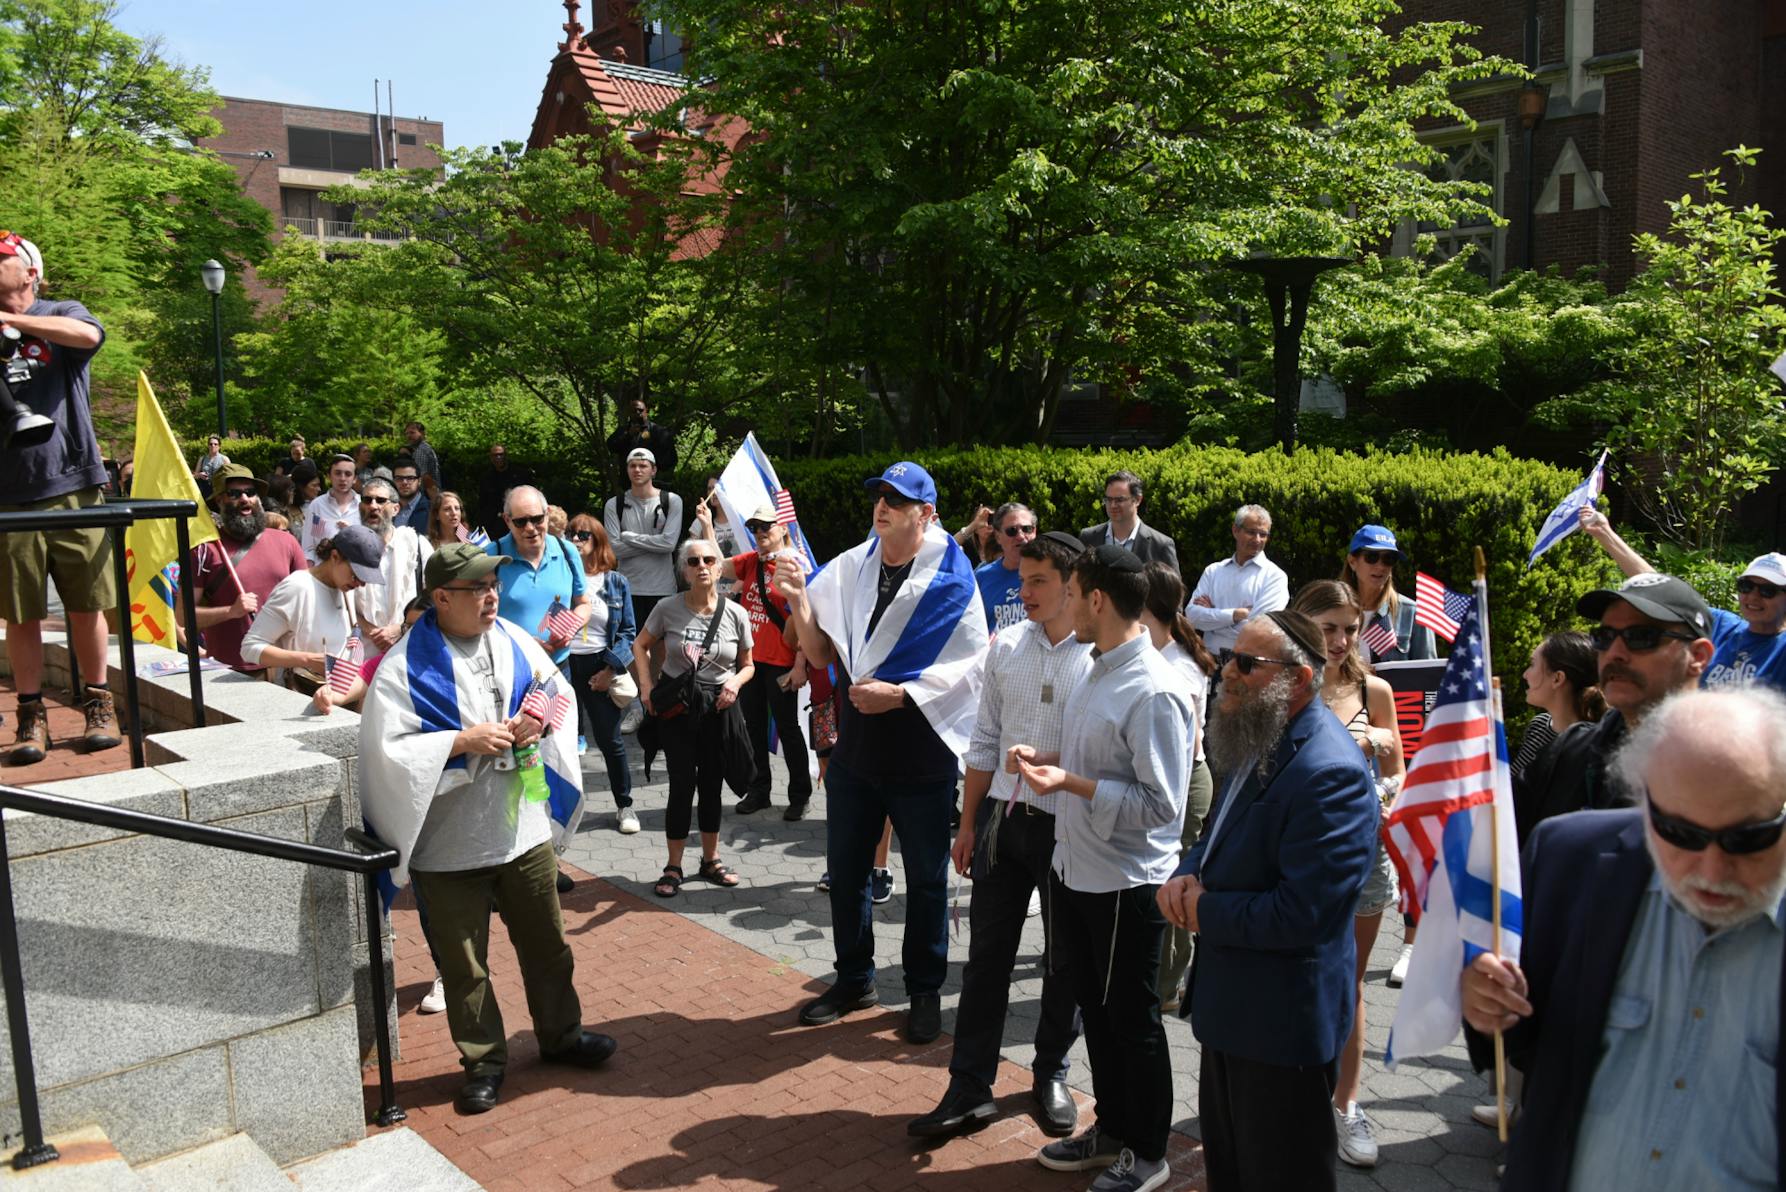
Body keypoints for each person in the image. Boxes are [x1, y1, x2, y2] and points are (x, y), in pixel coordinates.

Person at [1463, 685, 1786, 1191]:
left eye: (1748, 838)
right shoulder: (1571, 859)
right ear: (1644, 799)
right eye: (1681, 833)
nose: (1713, 868)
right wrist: (1485, 1006)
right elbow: (1520, 1038)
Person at [358, 542, 614, 1116]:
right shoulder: (403, 668)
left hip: (519, 829)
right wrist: (458, 742)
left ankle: (562, 1035)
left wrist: (536, 719)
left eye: (493, 586)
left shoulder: (515, 639)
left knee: (548, 945)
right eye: (477, 589)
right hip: (448, 847)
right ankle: (483, 1062)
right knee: (464, 965)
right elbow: (383, 751)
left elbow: (554, 688)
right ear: (441, 597)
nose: (491, 595)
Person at [1159, 610, 1378, 1192]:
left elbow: (1302, 915)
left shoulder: (1329, 773)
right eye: (1231, 657)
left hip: (1281, 1027)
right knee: (1230, 1173)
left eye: (1248, 663)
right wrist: (1187, 874)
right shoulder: (1258, 727)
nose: (1228, 671)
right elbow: (1217, 831)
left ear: (1299, 678)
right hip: (1231, 1009)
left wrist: (1200, 910)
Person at [773, 461, 989, 1045]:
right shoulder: (850, 567)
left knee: (925, 881)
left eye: (897, 498)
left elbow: (972, 668)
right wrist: (798, 600)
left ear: (927, 513)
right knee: (845, 875)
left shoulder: (952, 575)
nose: (882, 505)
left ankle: (923, 992)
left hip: (922, 759)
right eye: (879, 496)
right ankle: (854, 979)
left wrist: (901, 694)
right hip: (856, 754)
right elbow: (819, 656)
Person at [1011, 544, 1191, 1192]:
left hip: (1125, 884)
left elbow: (1162, 806)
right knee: (1097, 1008)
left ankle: (1148, 1154)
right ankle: (1113, 1129)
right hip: (1077, 870)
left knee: (1132, 1022)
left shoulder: (1156, 689)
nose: (1059, 603)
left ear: (1095, 600)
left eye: (1071, 591)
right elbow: (1097, 756)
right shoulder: (1096, 665)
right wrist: (1050, 757)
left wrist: (1073, 784)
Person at [908, 530, 1091, 1142]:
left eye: (1038, 581)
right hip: (1002, 826)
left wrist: (1055, 762)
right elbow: (982, 740)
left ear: (1073, 586)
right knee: (986, 958)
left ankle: (1050, 1073)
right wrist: (966, 824)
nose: (1023, 590)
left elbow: (1109, 755)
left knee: (1065, 959)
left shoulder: (1099, 656)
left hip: (1070, 830)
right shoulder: (1006, 643)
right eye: (1022, 578)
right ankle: (969, 1086)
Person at [1291, 579, 1406, 1169]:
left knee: (1350, 985)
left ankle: (1347, 1103)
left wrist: (1380, 787)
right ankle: (1292, 1095)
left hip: (1361, 856)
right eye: (1327, 627)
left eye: (1348, 628)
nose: (1338, 640)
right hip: (1295, 857)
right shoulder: (1286, 683)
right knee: (1294, 976)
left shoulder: (1374, 688)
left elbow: (1398, 773)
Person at [0, 231, 120, 762]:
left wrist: (15, 324)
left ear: (29, 271)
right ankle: (30, 716)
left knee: (87, 604)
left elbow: (87, 335)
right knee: (20, 613)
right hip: (9, 494)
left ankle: (98, 702)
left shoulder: (59, 309)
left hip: (72, 482)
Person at [1516, 572, 1715, 845]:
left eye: (1641, 636)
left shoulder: (1726, 769)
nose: (1615, 652)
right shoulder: (1571, 751)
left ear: (1698, 657)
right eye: (1605, 636)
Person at [635, 538, 755, 896]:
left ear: (719, 568)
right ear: (684, 570)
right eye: (693, 561)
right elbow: (639, 645)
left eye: (708, 560)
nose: (701, 565)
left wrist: (734, 683)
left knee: (712, 785)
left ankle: (711, 859)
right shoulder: (667, 608)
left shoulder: (737, 613)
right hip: (678, 709)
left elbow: (748, 665)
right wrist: (645, 687)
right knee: (682, 783)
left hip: (719, 706)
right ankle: (673, 866)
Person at [1579, 506, 1786, 692]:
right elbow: (1659, 588)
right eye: (1746, 586)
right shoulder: (1722, 626)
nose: (1753, 596)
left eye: (1767, 591)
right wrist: (1605, 534)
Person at [694, 496, 812, 819]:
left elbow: (806, 618)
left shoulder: (794, 564)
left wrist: (801, 663)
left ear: (782, 528)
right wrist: (707, 526)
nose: (759, 532)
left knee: (788, 729)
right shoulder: (753, 561)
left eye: (765, 527)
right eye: (754, 527)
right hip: (750, 662)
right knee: (754, 727)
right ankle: (760, 791)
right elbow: (719, 565)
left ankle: (799, 795)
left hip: (782, 661)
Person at [1140, 561, 1218, 1016]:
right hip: (1173, 781)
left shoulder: (1180, 667)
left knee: (1174, 885)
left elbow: (1183, 746)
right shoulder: (1158, 650)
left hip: (1183, 784)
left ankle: (1166, 986)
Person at [186, 464, 308, 673]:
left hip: (285, 669)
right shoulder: (204, 550)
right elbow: (183, 616)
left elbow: (308, 600)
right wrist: (230, 611)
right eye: (234, 493)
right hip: (229, 672)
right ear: (219, 500)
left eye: (250, 492)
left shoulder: (287, 542)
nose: (244, 499)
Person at [565, 513, 638, 833]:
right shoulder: (560, 576)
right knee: (560, 742)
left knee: (610, 741)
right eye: (571, 535)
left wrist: (610, 669)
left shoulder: (615, 582)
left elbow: (628, 632)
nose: (576, 540)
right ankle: (561, 811)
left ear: (597, 541)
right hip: (563, 665)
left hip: (599, 665)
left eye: (583, 535)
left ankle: (625, 806)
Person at [239, 527, 386, 682]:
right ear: (335, 556)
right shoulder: (297, 588)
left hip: (337, 696)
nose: (361, 583)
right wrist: (307, 660)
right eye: (356, 574)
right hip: (302, 696)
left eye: (365, 578)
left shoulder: (345, 587)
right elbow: (250, 648)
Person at [1186, 504, 1289, 660]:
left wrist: (1213, 620)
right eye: (1251, 532)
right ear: (1235, 530)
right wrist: (1237, 614)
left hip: (1247, 667)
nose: (1257, 539)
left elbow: (1260, 629)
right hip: (1207, 664)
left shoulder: (1275, 577)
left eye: (1263, 534)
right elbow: (1192, 617)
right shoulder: (1214, 571)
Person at [604, 448, 683, 633]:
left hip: (663, 588)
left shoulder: (671, 501)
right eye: (632, 466)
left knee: (662, 648)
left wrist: (629, 537)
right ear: (627, 470)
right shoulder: (614, 504)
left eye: (643, 465)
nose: (637, 470)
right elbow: (614, 550)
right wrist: (656, 543)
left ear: (653, 470)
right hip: (627, 589)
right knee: (630, 647)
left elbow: (669, 544)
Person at [351, 477, 432, 654]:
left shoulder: (416, 545)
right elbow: (342, 603)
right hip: (363, 651)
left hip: (410, 645)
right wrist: (375, 633)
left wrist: (399, 628)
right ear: (360, 507)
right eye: (367, 500)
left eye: (380, 500)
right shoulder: (349, 549)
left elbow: (434, 596)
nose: (373, 506)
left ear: (396, 509)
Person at [1513, 631, 1605, 780]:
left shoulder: (1596, 747)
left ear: (1557, 678)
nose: (1525, 674)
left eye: (1532, 664)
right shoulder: (1538, 726)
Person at [1339, 524, 1436, 664]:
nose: (1380, 566)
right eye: (1371, 557)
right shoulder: (1332, 611)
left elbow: (1428, 676)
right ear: (1352, 562)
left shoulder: (1414, 613)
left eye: (1389, 559)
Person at [1078, 471, 1178, 570]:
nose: (1113, 505)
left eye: (1119, 500)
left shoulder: (1160, 545)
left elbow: (1173, 586)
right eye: (1108, 499)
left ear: (1137, 500)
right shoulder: (1088, 537)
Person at [975, 503, 1038, 635]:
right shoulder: (982, 578)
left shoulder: (1051, 575)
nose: (1020, 536)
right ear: (998, 537)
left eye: (1027, 529)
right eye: (1012, 531)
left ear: (1035, 532)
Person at [301, 454, 361, 565]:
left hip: (354, 572)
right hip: (323, 574)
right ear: (329, 476)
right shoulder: (317, 506)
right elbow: (309, 547)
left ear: (354, 479)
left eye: (348, 474)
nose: (342, 478)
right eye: (338, 473)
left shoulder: (363, 505)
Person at [605, 395, 677, 483]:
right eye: (634, 411)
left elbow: (671, 458)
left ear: (646, 411)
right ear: (629, 413)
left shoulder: (658, 432)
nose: (638, 413)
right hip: (628, 483)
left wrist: (655, 472)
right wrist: (628, 435)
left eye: (641, 410)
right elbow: (611, 446)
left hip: (653, 483)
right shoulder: (623, 431)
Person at [476, 444, 534, 541]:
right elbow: (482, 503)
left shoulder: (519, 474)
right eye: (495, 455)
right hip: (494, 524)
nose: (498, 457)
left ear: (505, 455)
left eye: (500, 454)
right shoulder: (486, 478)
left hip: (517, 520)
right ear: (491, 458)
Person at [392, 459, 431, 533]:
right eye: (399, 478)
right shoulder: (386, 509)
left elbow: (460, 533)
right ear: (394, 481)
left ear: (419, 481)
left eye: (410, 478)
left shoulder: (433, 508)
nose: (404, 482)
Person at [403, 421, 442, 491]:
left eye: (412, 432)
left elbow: (425, 477)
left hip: (426, 495)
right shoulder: (420, 448)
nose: (408, 436)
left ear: (422, 433)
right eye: (406, 433)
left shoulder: (421, 450)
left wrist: (433, 499)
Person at [191, 434, 229, 499]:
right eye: (210, 444)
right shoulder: (202, 458)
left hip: (219, 491)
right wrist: (199, 475)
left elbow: (230, 476)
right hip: (205, 491)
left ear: (219, 446)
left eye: (215, 444)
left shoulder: (224, 459)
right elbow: (194, 476)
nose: (213, 446)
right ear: (208, 446)